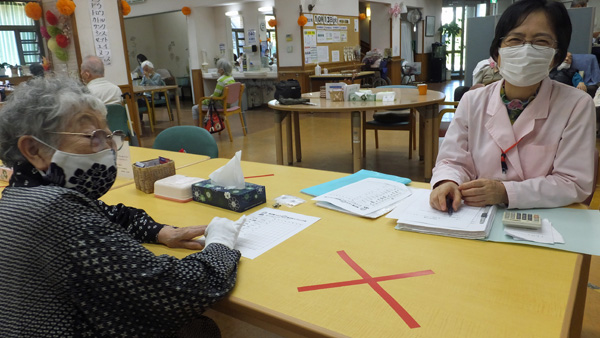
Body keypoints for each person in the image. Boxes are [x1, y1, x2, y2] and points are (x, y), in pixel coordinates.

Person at [0, 76, 245, 336]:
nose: (107, 149)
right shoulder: (59, 216)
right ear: (34, 149)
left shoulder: (23, 195)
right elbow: (176, 291)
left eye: (109, 136)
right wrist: (221, 245)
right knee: (200, 329)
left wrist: (159, 232)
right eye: (93, 136)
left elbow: (111, 215)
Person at [430, 0, 595, 212]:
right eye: (515, 39)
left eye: (541, 41)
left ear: (557, 56)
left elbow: (573, 182)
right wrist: (447, 182)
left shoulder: (576, 105)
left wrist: (505, 192)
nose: (526, 50)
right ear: (497, 52)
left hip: (545, 216)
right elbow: (452, 160)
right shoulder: (472, 101)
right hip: (475, 214)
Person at [192, 58, 235, 127]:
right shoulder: (231, 78)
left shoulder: (221, 80)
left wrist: (203, 101)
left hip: (220, 105)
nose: (217, 70)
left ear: (221, 70)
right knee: (202, 105)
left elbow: (215, 97)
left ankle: (198, 129)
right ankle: (215, 120)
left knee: (195, 108)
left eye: (218, 68)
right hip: (228, 104)